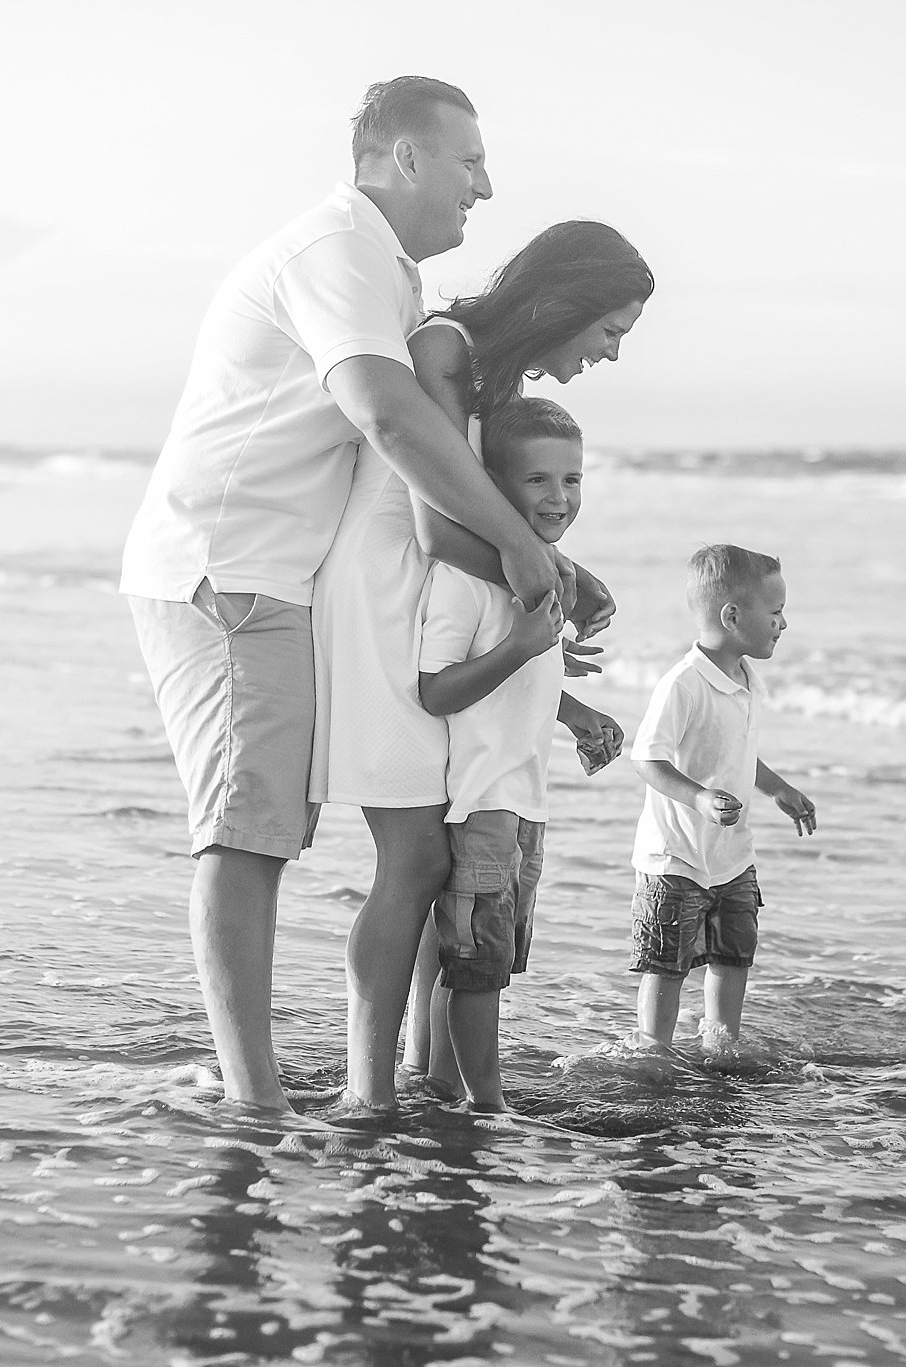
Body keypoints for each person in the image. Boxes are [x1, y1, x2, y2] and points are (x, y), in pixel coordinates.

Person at [118, 76, 561, 1116]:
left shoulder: (385, 273)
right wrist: (519, 549)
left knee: (270, 824)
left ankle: (280, 1086)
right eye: (469, 161)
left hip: (268, 573)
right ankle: (254, 1103)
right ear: (403, 157)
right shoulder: (339, 251)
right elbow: (390, 422)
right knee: (245, 830)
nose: (484, 186)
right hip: (226, 569)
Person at [309, 219, 652, 1105]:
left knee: (440, 854)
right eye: (609, 330)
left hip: (437, 583)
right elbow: (433, 520)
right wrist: (551, 571)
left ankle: (427, 1075)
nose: (610, 354)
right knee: (416, 859)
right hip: (393, 589)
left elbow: (486, 512)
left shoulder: (489, 371)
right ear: (565, 303)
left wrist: (564, 574)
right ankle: (370, 1090)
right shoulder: (447, 348)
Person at [415, 398, 602, 1111]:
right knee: (478, 970)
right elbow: (437, 690)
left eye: (573, 480)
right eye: (537, 481)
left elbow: (527, 685)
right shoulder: (466, 581)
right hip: (483, 801)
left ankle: (443, 1081)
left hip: (527, 803)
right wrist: (522, 642)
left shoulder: (541, 580)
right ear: (492, 486)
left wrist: (579, 715)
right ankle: (487, 1104)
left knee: (482, 964)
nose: (559, 497)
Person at [627, 544, 818, 1052]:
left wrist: (779, 788)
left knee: (733, 953)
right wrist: (700, 798)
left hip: (732, 857)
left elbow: (736, 751)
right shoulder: (684, 684)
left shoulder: (747, 679)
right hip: (678, 856)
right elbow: (647, 758)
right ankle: (654, 1048)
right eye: (775, 612)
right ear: (732, 616)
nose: (784, 624)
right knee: (667, 962)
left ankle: (720, 1041)